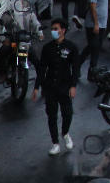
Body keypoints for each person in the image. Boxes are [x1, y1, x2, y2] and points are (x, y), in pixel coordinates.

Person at [32, 18, 78, 155]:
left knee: (67, 113)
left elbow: (75, 68)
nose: (53, 31)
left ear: (63, 30)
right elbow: (42, 69)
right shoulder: (47, 48)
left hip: (65, 86)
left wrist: (73, 86)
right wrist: (36, 87)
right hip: (50, 87)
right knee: (51, 116)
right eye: (52, 29)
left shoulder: (71, 47)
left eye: (56, 29)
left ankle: (65, 133)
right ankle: (55, 143)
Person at [78, 0, 110, 80]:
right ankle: (90, 72)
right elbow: (92, 6)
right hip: (94, 25)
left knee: (93, 48)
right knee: (94, 48)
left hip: (102, 24)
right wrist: (96, 23)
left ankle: (85, 69)